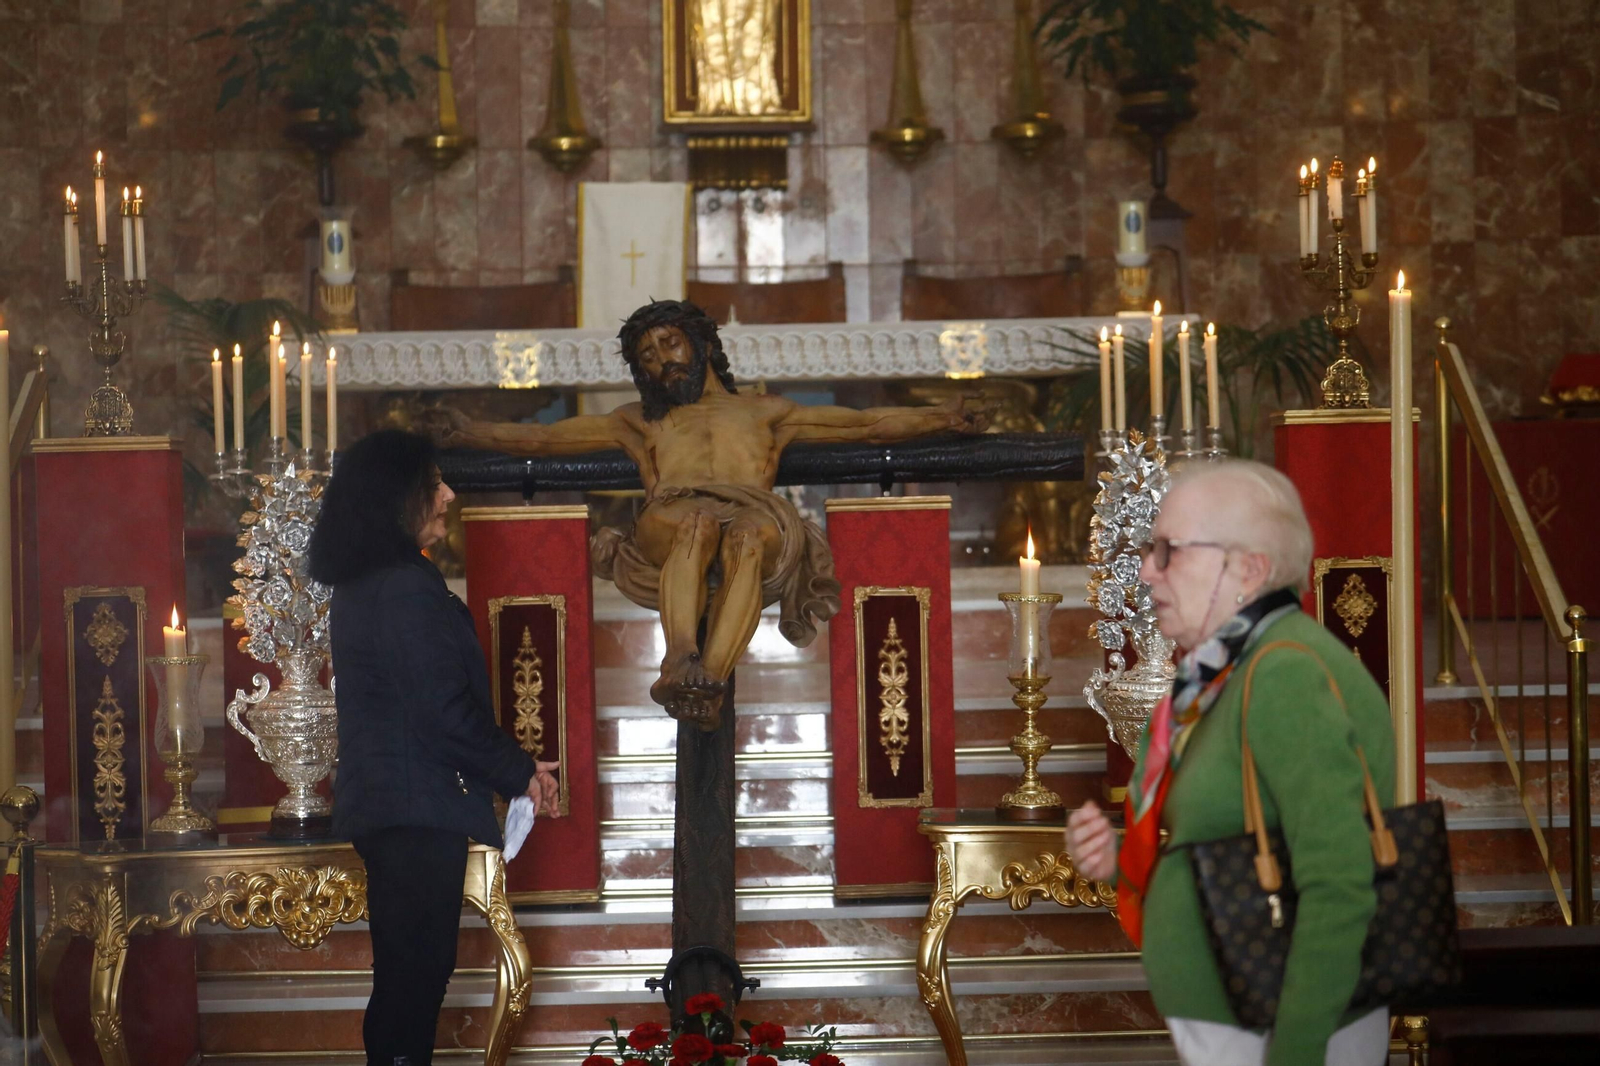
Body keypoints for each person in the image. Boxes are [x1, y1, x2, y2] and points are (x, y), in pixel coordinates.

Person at [433, 299, 989, 729]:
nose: (660, 362)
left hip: (754, 516)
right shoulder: (640, 421)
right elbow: (545, 439)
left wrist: (942, 417)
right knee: (698, 523)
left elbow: (867, 426)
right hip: (674, 518)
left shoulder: (767, 412)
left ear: (700, 342)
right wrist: (467, 431)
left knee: (748, 535)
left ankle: (708, 684)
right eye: (646, 357)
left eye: (669, 344)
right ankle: (679, 659)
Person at [1066, 460, 1395, 1066]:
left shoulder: (1285, 674)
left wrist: (1296, 1052)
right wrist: (1118, 864)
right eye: (1149, 549)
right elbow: (1223, 841)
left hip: (1284, 1030)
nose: (1146, 570)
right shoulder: (1222, 673)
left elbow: (1341, 884)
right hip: (1240, 1013)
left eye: (1170, 551)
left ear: (1249, 569)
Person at [309, 429, 561, 1066]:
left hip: (403, 807)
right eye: (434, 484)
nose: (448, 495)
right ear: (398, 498)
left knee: (410, 980)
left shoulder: (375, 580)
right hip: (414, 810)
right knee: (413, 983)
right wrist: (518, 769)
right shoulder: (401, 586)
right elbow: (442, 713)